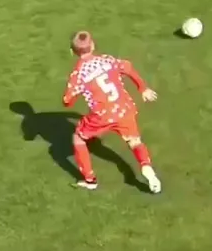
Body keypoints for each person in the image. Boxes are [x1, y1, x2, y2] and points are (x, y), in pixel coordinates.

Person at [63, 31, 161, 193]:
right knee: (134, 141)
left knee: (78, 138)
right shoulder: (107, 60)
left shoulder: (78, 74)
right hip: (124, 108)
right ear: (93, 45)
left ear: (72, 51)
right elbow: (128, 68)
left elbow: (67, 101)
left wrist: (77, 93)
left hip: (102, 116)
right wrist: (143, 88)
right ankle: (146, 166)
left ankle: (90, 180)